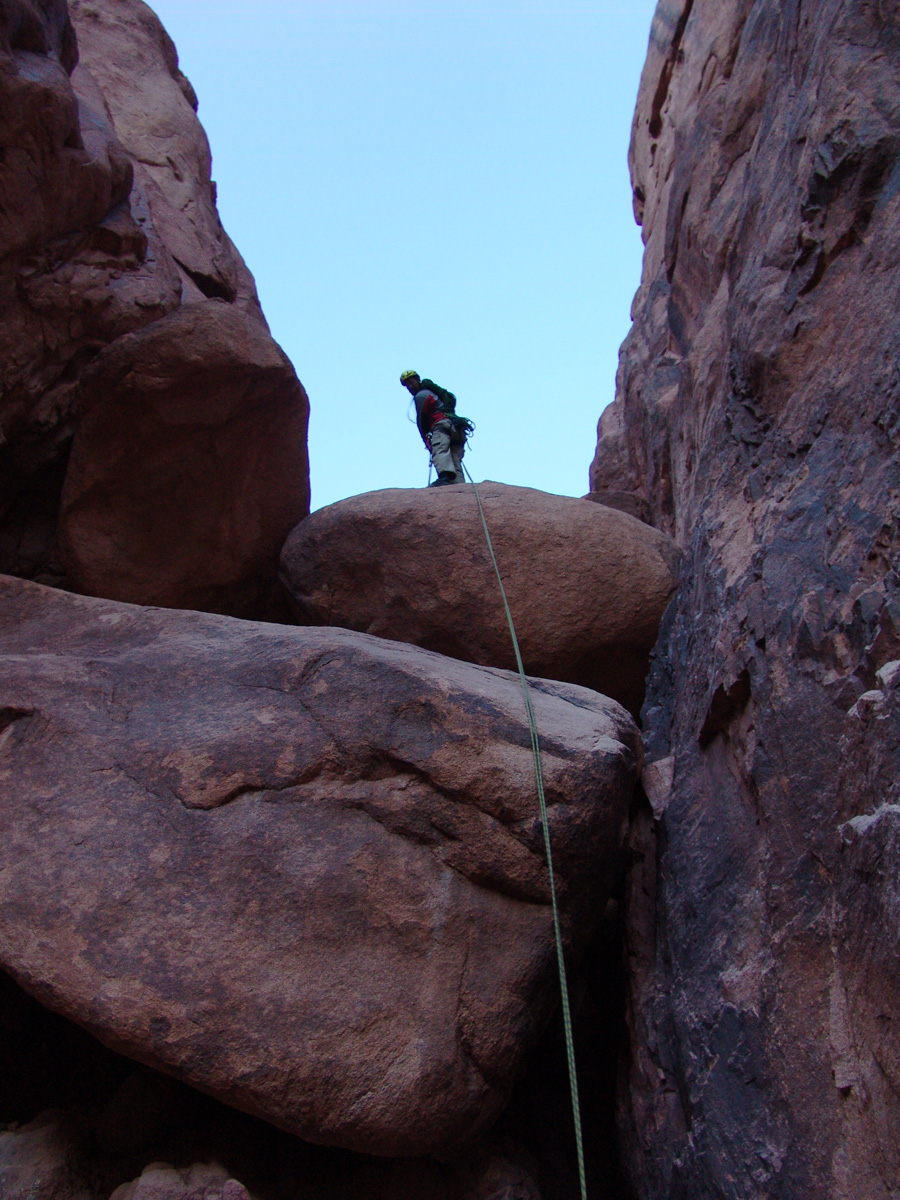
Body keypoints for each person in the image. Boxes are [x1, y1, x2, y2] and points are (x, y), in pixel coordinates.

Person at [400, 370, 467, 486]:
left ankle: (445, 476)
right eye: (407, 386)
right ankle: (459, 485)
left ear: (417, 380)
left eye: (411, 382)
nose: (410, 387)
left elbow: (422, 421)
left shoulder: (421, 396)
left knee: (440, 450)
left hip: (441, 427)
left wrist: (426, 441)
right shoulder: (435, 393)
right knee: (455, 458)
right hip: (457, 429)